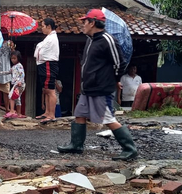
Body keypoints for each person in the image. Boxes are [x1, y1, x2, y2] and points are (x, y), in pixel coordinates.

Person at [57, 9, 138, 161]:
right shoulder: (90, 39)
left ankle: (130, 148)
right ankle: (76, 145)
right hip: (88, 88)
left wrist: (109, 80)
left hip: (101, 89)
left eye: (85, 22)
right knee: (79, 114)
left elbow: (119, 64)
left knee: (108, 119)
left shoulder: (108, 40)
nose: (83, 25)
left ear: (93, 23)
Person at [34, 18, 59, 123]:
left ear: (49, 26)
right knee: (45, 89)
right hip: (43, 64)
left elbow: (41, 50)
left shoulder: (52, 38)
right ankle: (47, 112)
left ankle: (52, 114)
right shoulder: (48, 38)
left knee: (50, 90)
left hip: (48, 63)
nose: (42, 28)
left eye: (43, 26)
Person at [0, 50, 25, 118]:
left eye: (14, 58)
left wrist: (20, 82)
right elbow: (8, 72)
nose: (13, 60)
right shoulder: (14, 67)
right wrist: (0, 73)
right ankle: (19, 113)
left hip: (18, 84)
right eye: (12, 58)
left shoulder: (19, 66)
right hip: (16, 84)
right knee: (17, 98)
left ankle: (12, 111)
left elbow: (22, 74)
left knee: (11, 96)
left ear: (18, 58)